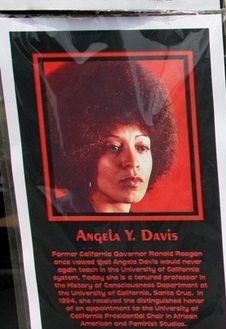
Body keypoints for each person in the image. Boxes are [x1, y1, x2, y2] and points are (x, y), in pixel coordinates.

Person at [43, 58, 177, 214]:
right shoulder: (54, 228)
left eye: (142, 147)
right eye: (113, 147)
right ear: (80, 158)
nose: (132, 162)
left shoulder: (148, 234)